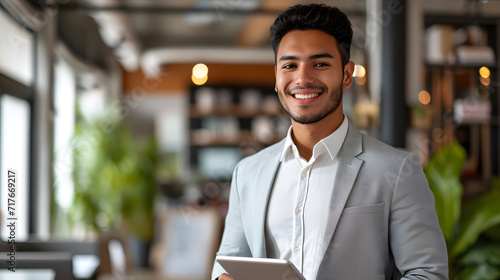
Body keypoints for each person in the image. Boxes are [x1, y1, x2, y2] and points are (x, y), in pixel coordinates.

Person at [211, 4, 448, 280]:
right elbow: (227, 263)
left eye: (320, 64)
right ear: (276, 77)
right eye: (289, 65)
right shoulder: (248, 173)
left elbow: (427, 273)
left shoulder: (397, 170)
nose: (302, 78)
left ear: (347, 74)